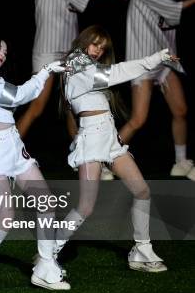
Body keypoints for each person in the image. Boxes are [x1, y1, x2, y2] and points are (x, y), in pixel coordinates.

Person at [53, 25, 172, 279]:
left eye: (102, 47)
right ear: (84, 41)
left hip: (109, 135)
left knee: (142, 191)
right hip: (92, 137)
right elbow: (117, 72)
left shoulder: (90, 66)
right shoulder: (75, 62)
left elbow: (112, 74)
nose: (98, 50)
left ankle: (142, 249)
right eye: (95, 44)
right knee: (86, 206)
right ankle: (49, 252)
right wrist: (154, 59)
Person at [0, 35, 69, 292]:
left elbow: (14, 97)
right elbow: (19, 96)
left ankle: (45, 266)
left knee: (45, 204)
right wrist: (45, 72)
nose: (2, 53)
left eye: (6, 51)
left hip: (14, 147)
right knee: (5, 218)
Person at [17, 0, 125, 146]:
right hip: (48, 49)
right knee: (38, 106)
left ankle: (82, 152)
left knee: (73, 104)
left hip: (68, 49)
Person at [119, 0, 195, 180]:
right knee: (138, 119)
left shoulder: (167, 5)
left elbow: (168, 35)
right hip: (143, 63)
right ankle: (101, 160)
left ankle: (180, 162)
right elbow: (176, 8)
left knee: (180, 110)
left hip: (163, 64)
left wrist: (173, 60)